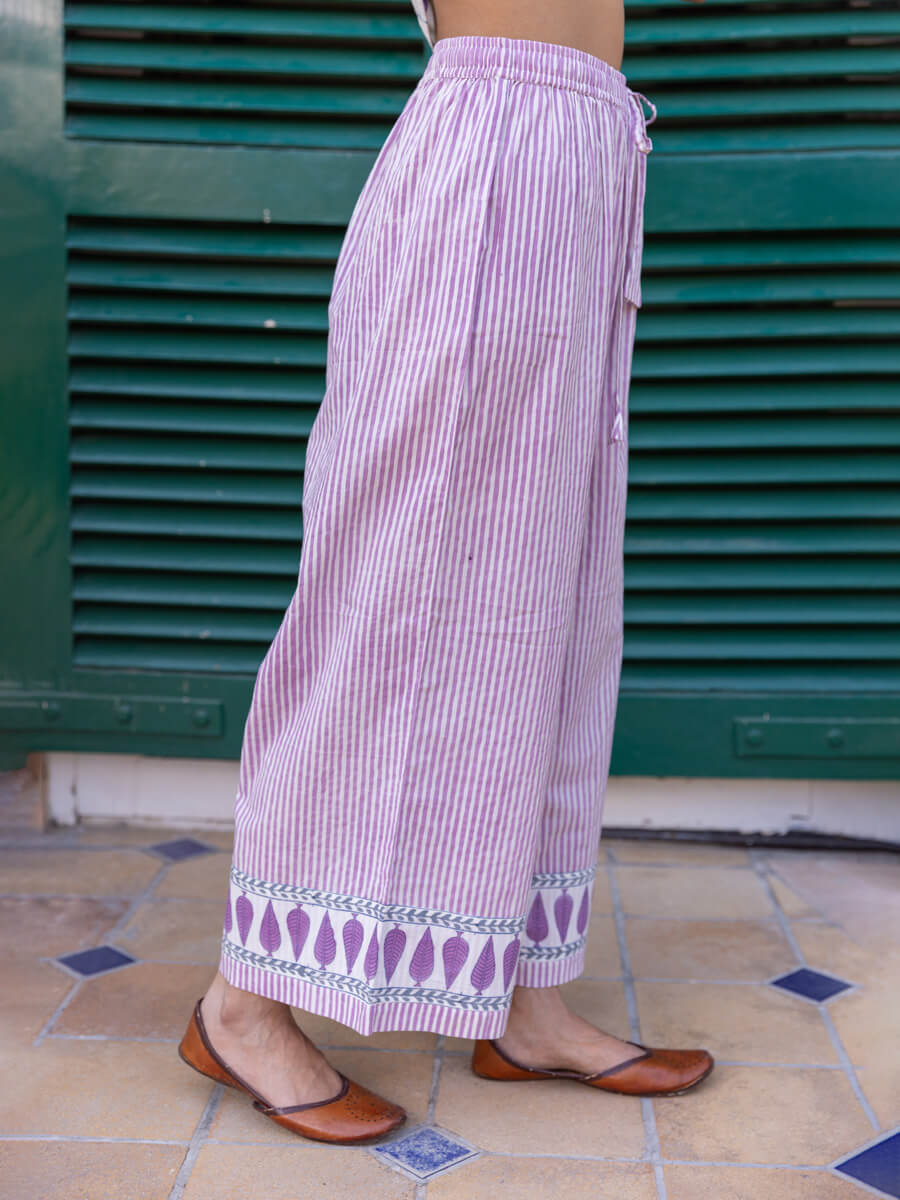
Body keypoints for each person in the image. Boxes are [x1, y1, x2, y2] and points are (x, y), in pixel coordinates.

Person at [178, 0, 714, 1144]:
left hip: (585, 164)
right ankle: (243, 1002)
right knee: (392, 595)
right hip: (491, 150)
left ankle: (525, 1000)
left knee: (550, 604)